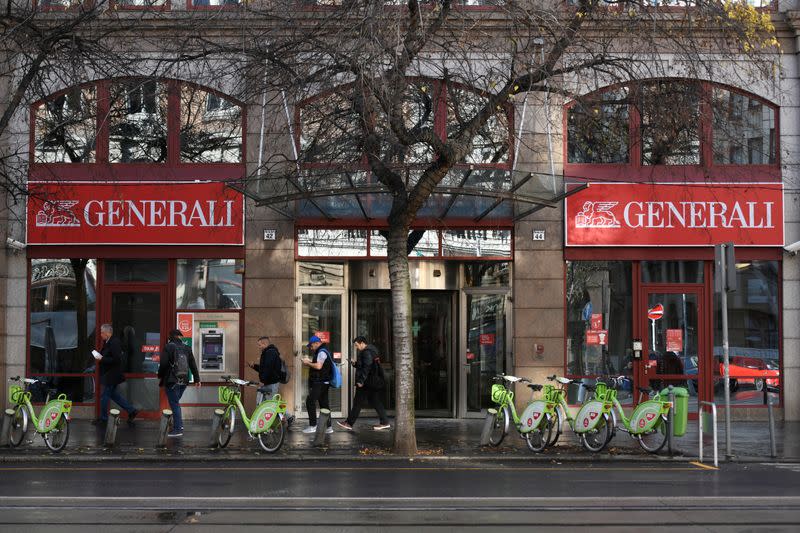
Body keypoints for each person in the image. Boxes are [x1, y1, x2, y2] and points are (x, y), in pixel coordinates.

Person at [337, 336, 390, 431]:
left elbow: (367, 367)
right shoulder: (372, 350)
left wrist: (361, 381)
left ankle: (349, 423)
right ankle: (385, 422)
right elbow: (366, 365)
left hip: (366, 382)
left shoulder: (366, 352)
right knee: (375, 401)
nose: (357, 347)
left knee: (358, 402)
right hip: (372, 381)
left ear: (362, 343)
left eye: (357, 345)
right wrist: (355, 364)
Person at [158, 329, 201, 437]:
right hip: (184, 381)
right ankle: (179, 425)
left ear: (170, 337)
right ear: (180, 337)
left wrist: (160, 375)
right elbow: (192, 364)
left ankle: (178, 429)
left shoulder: (169, 347)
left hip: (172, 380)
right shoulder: (187, 348)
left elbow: (163, 364)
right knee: (175, 403)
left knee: (175, 404)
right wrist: (197, 379)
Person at [94, 324, 138, 426]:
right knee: (114, 395)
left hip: (112, 374)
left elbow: (117, 360)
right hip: (108, 374)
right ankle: (132, 411)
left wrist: (102, 359)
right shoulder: (107, 342)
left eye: (102, 333)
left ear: (108, 332)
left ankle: (104, 419)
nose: (101, 335)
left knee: (104, 396)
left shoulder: (114, 342)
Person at [248, 336, 294, 426]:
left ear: (265, 344)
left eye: (259, 345)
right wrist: (254, 366)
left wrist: (263, 381)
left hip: (271, 383)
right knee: (265, 403)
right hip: (268, 382)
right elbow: (264, 369)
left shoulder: (270, 353)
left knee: (271, 404)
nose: (259, 347)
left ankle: (288, 416)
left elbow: (268, 369)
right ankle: (261, 422)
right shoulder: (267, 352)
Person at [301, 335, 333, 434]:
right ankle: (329, 427)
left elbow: (319, 366)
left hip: (319, 382)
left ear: (316, 343)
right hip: (324, 382)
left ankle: (313, 426)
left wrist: (307, 363)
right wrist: (311, 362)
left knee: (310, 401)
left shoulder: (321, 352)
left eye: (311, 346)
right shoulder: (324, 350)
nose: (311, 348)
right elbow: (321, 365)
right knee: (324, 405)